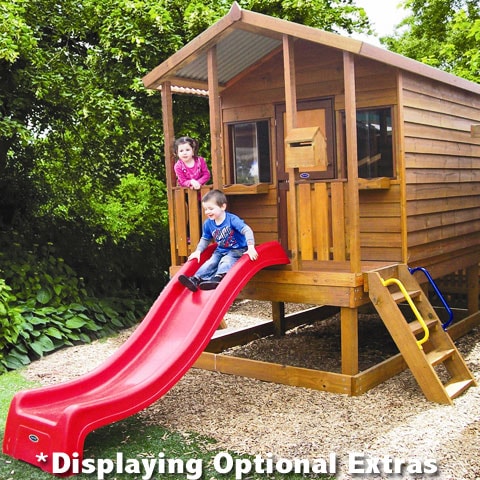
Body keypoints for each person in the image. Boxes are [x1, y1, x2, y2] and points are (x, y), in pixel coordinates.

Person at [178, 189, 258, 291]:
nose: (207, 212)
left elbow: (247, 230)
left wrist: (251, 247)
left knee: (226, 261)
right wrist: (198, 251)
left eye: (211, 208)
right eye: (205, 209)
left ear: (223, 207)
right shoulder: (208, 223)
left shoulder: (232, 220)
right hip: (221, 249)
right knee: (211, 262)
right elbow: (205, 239)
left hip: (237, 249)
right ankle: (196, 279)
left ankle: (218, 278)